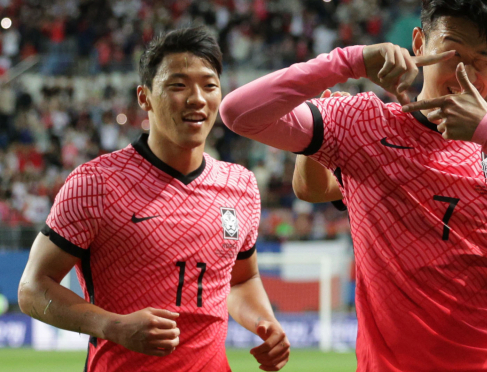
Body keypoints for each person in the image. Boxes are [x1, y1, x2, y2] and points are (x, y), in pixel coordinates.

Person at [219, 0, 487, 371]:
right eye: (452, 53)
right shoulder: (363, 123)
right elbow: (238, 113)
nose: (466, 75)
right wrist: (349, 60)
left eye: (483, 59)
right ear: (419, 43)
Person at [18, 27, 290, 372]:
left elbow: (241, 280)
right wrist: (112, 326)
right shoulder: (96, 183)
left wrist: (265, 322)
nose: (197, 98)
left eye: (209, 85)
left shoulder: (241, 185)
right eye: (178, 85)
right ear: (144, 97)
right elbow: (32, 288)